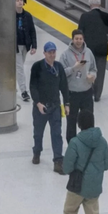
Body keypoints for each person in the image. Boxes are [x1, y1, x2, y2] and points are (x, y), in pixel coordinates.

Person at [61, 108, 108, 214]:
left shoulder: (75, 142)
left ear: (79, 124)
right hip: (94, 187)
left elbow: (67, 167)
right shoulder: (102, 141)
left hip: (77, 187)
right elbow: (107, 165)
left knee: (70, 212)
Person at [30, 42, 69, 173]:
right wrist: (37, 103)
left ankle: (58, 161)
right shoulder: (37, 67)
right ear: (44, 53)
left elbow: (64, 87)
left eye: (53, 52)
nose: (52, 55)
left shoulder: (58, 67)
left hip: (55, 106)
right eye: (49, 52)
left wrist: (67, 103)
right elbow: (33, 86)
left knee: (57, 134)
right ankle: (37, 151)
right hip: (41, 107)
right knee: (38, 133)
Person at [59, 30, 96, 142]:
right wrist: (74, 68)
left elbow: (94, 68)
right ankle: (72, 145)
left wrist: (93, 76)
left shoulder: (88, 52)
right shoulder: (65, 55)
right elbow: (61, 73)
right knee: (71, 121)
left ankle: (87, 141)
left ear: (83, 39)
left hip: (86, 92)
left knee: (88, 119)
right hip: (72, 94)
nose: (78, 41)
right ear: (72, 40)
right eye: (76, 39)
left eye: (80, 39)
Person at [77, 0, 108, 102]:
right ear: (100, 4)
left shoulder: (84, 16)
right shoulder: (106, 16)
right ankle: (97, 94)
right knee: (100, 72)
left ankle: (89, 91)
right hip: (102, 47)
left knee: (88, 70)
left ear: (90, 4)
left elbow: (79, 31)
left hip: (89, 48)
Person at [15, 0, 37, 102]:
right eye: (17, 0)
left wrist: (34, 46)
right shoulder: (10, 16)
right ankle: (24, 91)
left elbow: (32, 30)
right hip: (15, 46)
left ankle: (11, 84)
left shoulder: (27, 16)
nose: (19, 2)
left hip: (25, 45)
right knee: (19, 67)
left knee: (19, 66)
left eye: (20, 0)